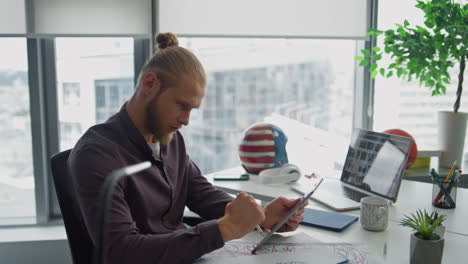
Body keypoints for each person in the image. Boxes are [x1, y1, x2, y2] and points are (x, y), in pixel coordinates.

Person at [68, 32, 308, 264]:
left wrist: (260, 215)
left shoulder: (170, 139)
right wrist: (224, 228)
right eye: (182, 105)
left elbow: (201, 194)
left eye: (192, 109)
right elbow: (121, 253)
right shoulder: (97, 155)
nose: (186, 120)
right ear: (150, 84)